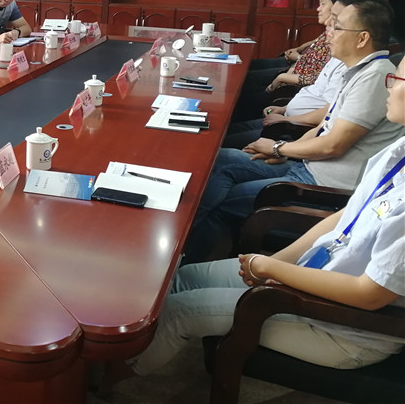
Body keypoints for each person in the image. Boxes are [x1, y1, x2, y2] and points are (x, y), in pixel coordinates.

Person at [124, 55, 405, 380]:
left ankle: (104, 380)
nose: (389, 87)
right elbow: (346, 215)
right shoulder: (397, 151)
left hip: (343, 326)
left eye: (397, 80)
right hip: (313, 272)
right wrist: (279, 262)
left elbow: (370, 294)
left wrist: (271, 269)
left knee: (180, 313)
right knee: (183, 278)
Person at [184, 0, 404, 264]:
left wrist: (279, 147)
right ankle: (186, 237)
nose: (329, 34)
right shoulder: (359, 71)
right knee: (223, 159)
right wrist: (286, 152)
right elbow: (323, 128)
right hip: (307, 166)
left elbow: (333, 144)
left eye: (338, 28)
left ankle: (187, 261)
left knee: (224, 199)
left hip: (321, 186)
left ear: (362, 38)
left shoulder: (375, 77)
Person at [231, 0, 365, 122]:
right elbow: (315, 47)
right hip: (291, 96)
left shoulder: (342, 49)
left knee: (243, 92)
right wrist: (298, 52)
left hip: (292, 99)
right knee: (247, 75)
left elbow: (327, 107)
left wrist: (293, 66)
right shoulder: (333, 37)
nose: (318, 8)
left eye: (323, 4)